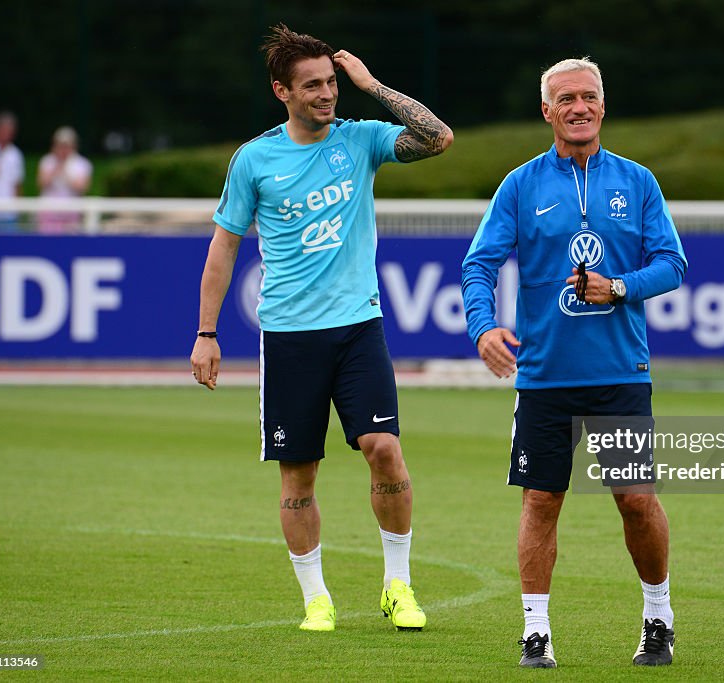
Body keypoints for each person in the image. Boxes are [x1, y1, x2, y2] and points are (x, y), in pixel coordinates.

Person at [189, 25, 452, 633]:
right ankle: (316, 598)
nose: (326, 94)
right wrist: (207, 333)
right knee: (298, 473)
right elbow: (223, 250)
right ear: (282, 91)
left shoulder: (359, 141)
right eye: (312, 85)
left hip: (359, 328)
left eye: (331, 83)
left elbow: (437, 138)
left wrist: (372, 84)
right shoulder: (254, 159)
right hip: (288, 337)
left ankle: (398, 586)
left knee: (383, 450)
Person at [461, 57, 687, 669]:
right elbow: (478, 265)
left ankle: (658, 618)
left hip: (619, 374)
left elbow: (672, 263)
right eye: (566, 99)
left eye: (588, 97)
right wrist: (482, 327)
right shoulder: (521, 185)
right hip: (545, 378)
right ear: (547, 111)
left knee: (635, 499)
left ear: (603, 105)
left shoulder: (637, 182)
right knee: (541, 501)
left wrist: (617, 288)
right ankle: (536, 633)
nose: (579, 107)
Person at [37, 126, 93, 234]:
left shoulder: (82, 164)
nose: (63, 149)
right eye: (60, 145)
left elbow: (82, 187)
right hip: (50, 214)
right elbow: (42, 183)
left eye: (66, 146)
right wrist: (57, 168)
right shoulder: (47, 161)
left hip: (72, 215)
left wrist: (66, 172)